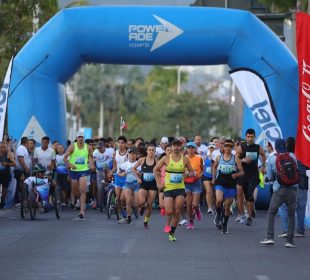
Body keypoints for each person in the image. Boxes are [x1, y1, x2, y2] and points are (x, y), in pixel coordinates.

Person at [260, 138, 298, 248]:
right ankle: (290, 241)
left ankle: (270, 237)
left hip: (279, 190)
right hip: (293, 189)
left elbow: (270, 177)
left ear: (275, 147)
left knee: (271, 212)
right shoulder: (292, 156)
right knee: (291, 215)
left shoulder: (272, 158)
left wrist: (266, 178)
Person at [154, 138, 194, 241]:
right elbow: (155, 169)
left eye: (178, 146)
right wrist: (159, 183)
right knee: (169, 211)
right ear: (171, 147)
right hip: (168, 188)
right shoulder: (166, 158)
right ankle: (169, 224)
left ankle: (172, 232)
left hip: (180, 188)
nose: (176, 147)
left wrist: (187, 174)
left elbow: (192, 172)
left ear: (181, 147)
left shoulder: (185, 159)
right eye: (174, 145)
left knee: (177, 211)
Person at [278, 137, 309, 238]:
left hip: (289, 184)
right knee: (301, 207)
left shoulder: (285, 156)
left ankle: (285, 230)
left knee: (284, 207)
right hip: (303, 183)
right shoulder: (303, 156)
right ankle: (300, 230)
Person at [235, 129, 266, 226]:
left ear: (254, 137)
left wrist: (263, 165)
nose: (250, 138)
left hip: (253, 174)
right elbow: (236, 157)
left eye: (252, 136)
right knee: (240, 195)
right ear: (246, 137)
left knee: (249, 194)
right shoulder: (242, 147)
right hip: (243, 174)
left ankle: (249, 216)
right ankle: (241, 214)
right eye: (248, 136)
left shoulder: (258, 147)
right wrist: (242, 160)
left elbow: (263, 155)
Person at [212, 139, 244, 234]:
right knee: (218, 200)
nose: (227, 148)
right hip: (220, 183)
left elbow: (242, 172)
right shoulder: (218, 157)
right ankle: (218, 215)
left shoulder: (235, 158)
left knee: (227, 207)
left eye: (230, 146)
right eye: (226, 146)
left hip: (230, 185)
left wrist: (236, 175)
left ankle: (225, 224)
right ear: (223, 147)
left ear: (232, 148)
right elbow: (214, 167)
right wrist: (213, 177)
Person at [64, 131, 94, 219]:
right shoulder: (72, 146)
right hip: (74, 171)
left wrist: (91, 164)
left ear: (83, 138)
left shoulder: (88, 147)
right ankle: (77, 199)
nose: (80, 138)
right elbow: (65, 158)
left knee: (83, 190)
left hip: (84, 170)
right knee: (75, 191)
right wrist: (70, 165)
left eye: (82, 137)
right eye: (79, 137)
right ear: (76, 138)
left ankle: (81, 211)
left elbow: (91, 156)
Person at [133, 144, 158, 229]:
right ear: (147, 151)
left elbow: (162, 171)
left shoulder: (157, 161)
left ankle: (146, 221)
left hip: (153, 185)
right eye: (150, 150)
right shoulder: (142, 159)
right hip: (143, 183)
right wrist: (137, 178)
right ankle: (142, 206)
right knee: (142, 201)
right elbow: (133, 168)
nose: (151, 151)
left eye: (153, 150)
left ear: (155, 152)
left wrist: (159, 180)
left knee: (150, 204)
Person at [184, 141, 204, 230]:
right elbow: (180, 170)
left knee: (195, 204)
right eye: (189, 148)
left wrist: (200, 175)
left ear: (195, 149)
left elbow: (202, 170)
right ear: (186, 149)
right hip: (187, 183)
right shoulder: (183, 158)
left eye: (192, 148)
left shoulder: (199, 158)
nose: (190, 149)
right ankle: (191, 222)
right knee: (188, 204)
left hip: (196, 183)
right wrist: (186, 173)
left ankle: (197, 210)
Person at [118, 148, 140, 225]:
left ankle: (135, 208)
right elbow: (119, 172)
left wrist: (139, 174)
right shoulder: (125, 164)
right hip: (127, 184)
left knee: (136, 204)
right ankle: (129, 218)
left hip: (136, 185)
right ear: (128, 154)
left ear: (136, 155)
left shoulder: (139, 164)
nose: (132, 155)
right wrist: (122, 174)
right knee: (128, 201)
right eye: (130, 153)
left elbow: (142, 174)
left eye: (133, 153)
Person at [14, 137, 31, 205]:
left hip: (23, 170)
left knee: (22, 186)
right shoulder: (21, 148)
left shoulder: (24, 148)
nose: (29, 144)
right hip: (20, 170)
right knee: (20, 185)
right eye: (28, 143)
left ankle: (21, 201)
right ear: (26, 142)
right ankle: (17, 202)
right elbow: (20, 158)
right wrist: (26, 168)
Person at [0, 142, 16, 208]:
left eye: (4, 147)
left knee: (4, 189)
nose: (2, 148)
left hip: (6, 175)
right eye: (1, 147)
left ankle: (2, 200)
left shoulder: (8, 154)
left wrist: (7, 164)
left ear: (6, 148)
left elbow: (14, 164)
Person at [202, 142, 216, 215]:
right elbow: (202, 166)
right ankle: (209, 208)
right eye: (210, 148)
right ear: (208, 148)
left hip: (215, 176)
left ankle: (213, 206)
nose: (211, 149)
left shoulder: (218, 156)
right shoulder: (205, 157)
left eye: (213, 148)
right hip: (206, 176)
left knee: (213, 194)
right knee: (209, 191)